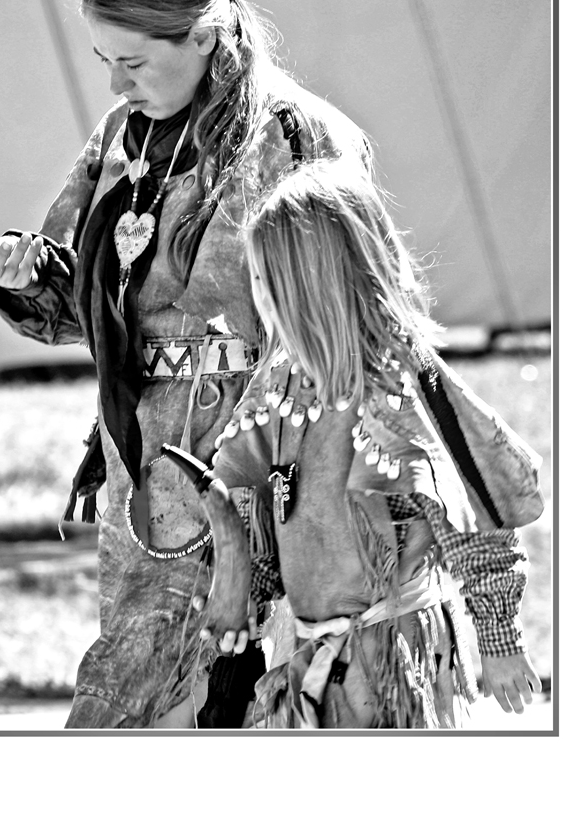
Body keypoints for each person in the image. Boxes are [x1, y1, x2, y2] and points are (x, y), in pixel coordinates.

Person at [0, 0, 375, 728]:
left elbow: (339, 325)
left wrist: (263, 470)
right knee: (135, 693)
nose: (116, 84)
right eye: (104, 61)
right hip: (145, 462)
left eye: (133, 61)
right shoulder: (122, 140)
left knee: (276, 694)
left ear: (202, 35)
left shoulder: (300, 137)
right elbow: (91, 311)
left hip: (274, 460)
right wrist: (27, 279)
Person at [193, 159, 544, 728]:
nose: (259, 296)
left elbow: (472, 523)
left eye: (269, 279)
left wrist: (499, 640)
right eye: (255, 278)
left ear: (316, 283)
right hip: (313, 658)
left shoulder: (396, 387)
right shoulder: (281, 386)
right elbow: (268, 508)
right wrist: (245, 594)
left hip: (395, 662)